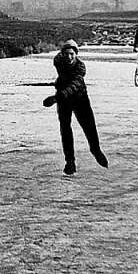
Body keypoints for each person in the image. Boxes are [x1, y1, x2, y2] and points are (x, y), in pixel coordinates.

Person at [42, 39, 108, 175]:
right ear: (62, 54)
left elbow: (74, 86)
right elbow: (58, 62)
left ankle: (95, 150)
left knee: (89, 126)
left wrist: (55, 98)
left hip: (80, 98)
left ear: (76, 54)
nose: (69, 57)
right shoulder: (58, 61)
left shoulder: (80, 68)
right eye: (66, 53)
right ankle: (70, 162)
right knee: (65, 129)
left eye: (72, 54)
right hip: (63, 100)